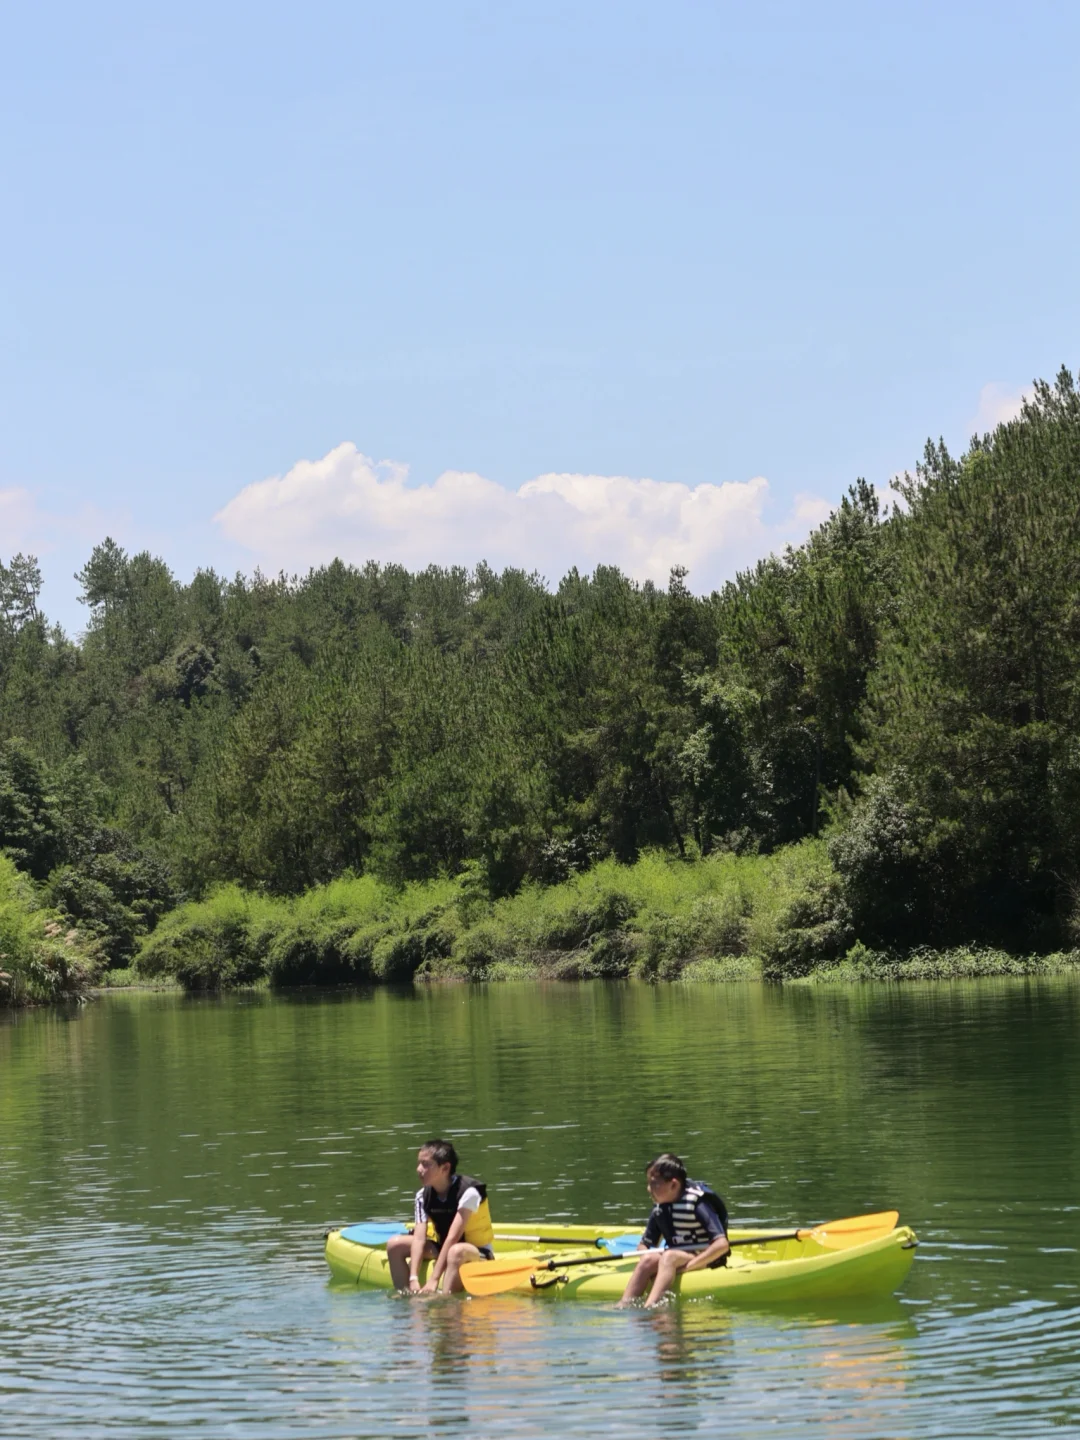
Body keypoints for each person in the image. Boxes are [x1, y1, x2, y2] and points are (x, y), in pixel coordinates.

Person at [616, 1152, 730, 1308]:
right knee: (648, 1259)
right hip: (677, 1257)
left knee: (669, 1257)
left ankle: (650, 1306)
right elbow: (643, 1246)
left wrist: (686, 1268)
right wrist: (651, 1263)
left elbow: (722, 1245)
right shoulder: (660, 1208)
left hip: (705, 1257)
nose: (649, 1189)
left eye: (654, 1184)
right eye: (648, 1183)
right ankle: (623, 1305)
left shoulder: (697, 1202)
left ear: (674, 1185)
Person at [386, 1139, 495, 1295]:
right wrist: (413, 1277)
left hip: (475, 1252)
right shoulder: (422, 1196)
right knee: (394, 1245)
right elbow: (419, 1238)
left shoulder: (469, 1192)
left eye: (426, 1164)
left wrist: (434, 1279)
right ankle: (406, 1295)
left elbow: (452, 1238)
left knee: (455, 1251)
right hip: (443, 1248)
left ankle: (446, 1300)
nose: (419, 1169)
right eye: (419, 1163)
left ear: (445, 1168)